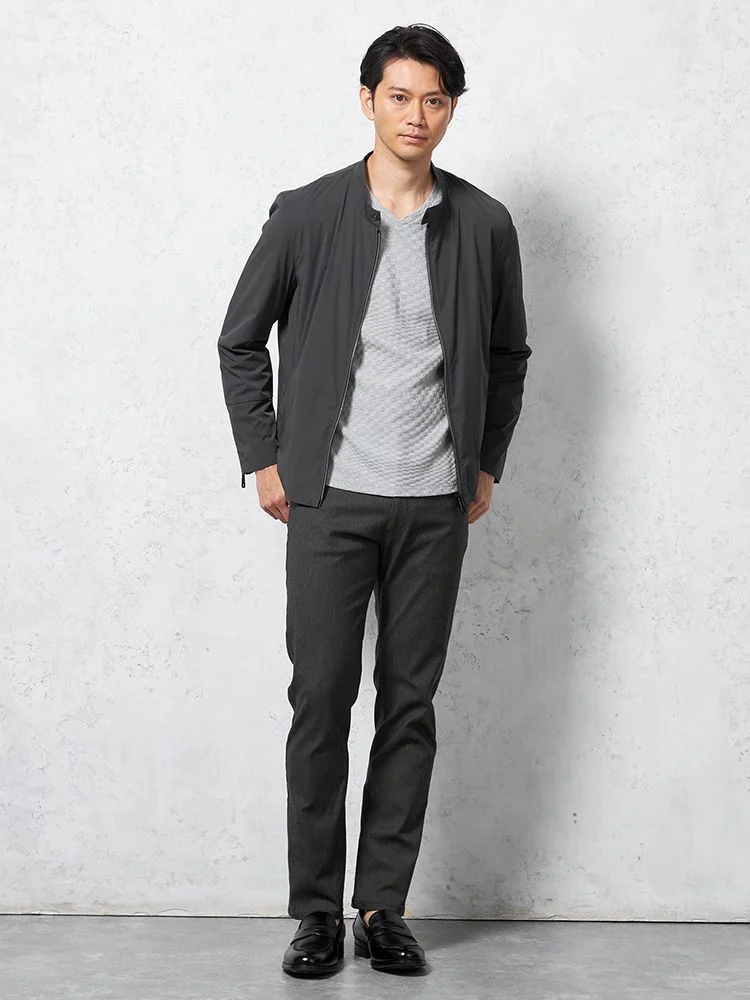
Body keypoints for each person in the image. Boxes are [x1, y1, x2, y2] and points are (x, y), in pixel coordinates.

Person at [217, 22, 532, 979]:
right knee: (320, 700)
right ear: (368, 102)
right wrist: (266, 459)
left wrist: (485, 463)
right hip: (329, 500)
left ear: (451, 109)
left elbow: (508, 355)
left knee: (409, 705)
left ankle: (381, 906)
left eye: (434, 99)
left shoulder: (484, 224)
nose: (416, 115)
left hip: (435, 502)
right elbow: (240, 339)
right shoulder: (307, 213)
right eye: (400, 96)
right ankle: (315, 912)